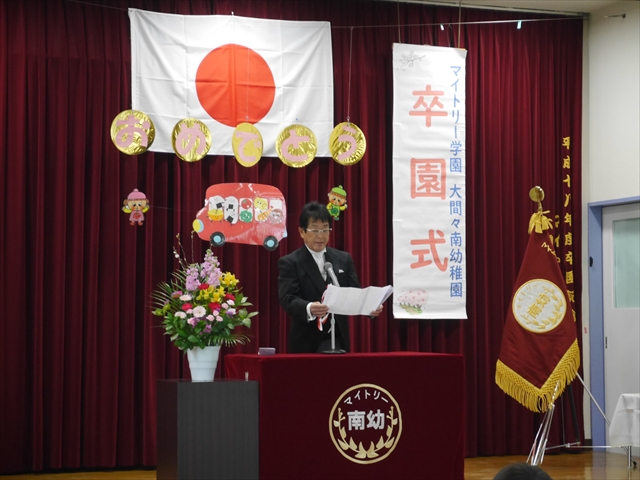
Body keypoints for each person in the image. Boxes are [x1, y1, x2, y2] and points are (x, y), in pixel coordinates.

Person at [278, 201, 383, 353]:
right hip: (307, 341)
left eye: (325, 229)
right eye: (315, 230)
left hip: (338, 340)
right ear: (302, 232)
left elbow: (354, 293)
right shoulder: (291, 262)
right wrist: (309, 307)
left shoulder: (343, 259)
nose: (320, 236)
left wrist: (370, 307)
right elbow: (288, 299)